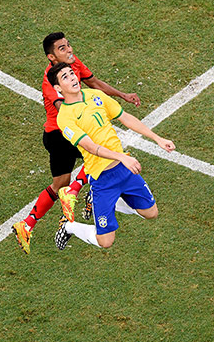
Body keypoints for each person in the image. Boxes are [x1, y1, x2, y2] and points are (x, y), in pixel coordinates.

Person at [12, 32, 141, 254]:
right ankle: (82, 190)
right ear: (51, 57)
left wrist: (122, 95)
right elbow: (66, 112)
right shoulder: (50, 81)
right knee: (104, 154)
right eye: (62, 48)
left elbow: (94, 83)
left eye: (68, 45)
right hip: (62, 134)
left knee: (58, 185)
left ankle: (26, 225)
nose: (69, 50)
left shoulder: (72, 66)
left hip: (57, 134)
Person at [47, 62, 175, 250]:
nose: (73, 78)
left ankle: (115, 201)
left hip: (124, 170)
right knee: (105, 241)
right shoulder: (65, 118)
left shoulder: (96, 96)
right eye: (65, 77)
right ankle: (69, 226)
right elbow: (90, 147)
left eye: (71, 73)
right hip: (102, 179)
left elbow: (125, 117)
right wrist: (122, 157)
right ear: (58, 88)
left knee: (151, 213)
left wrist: (157, 138)